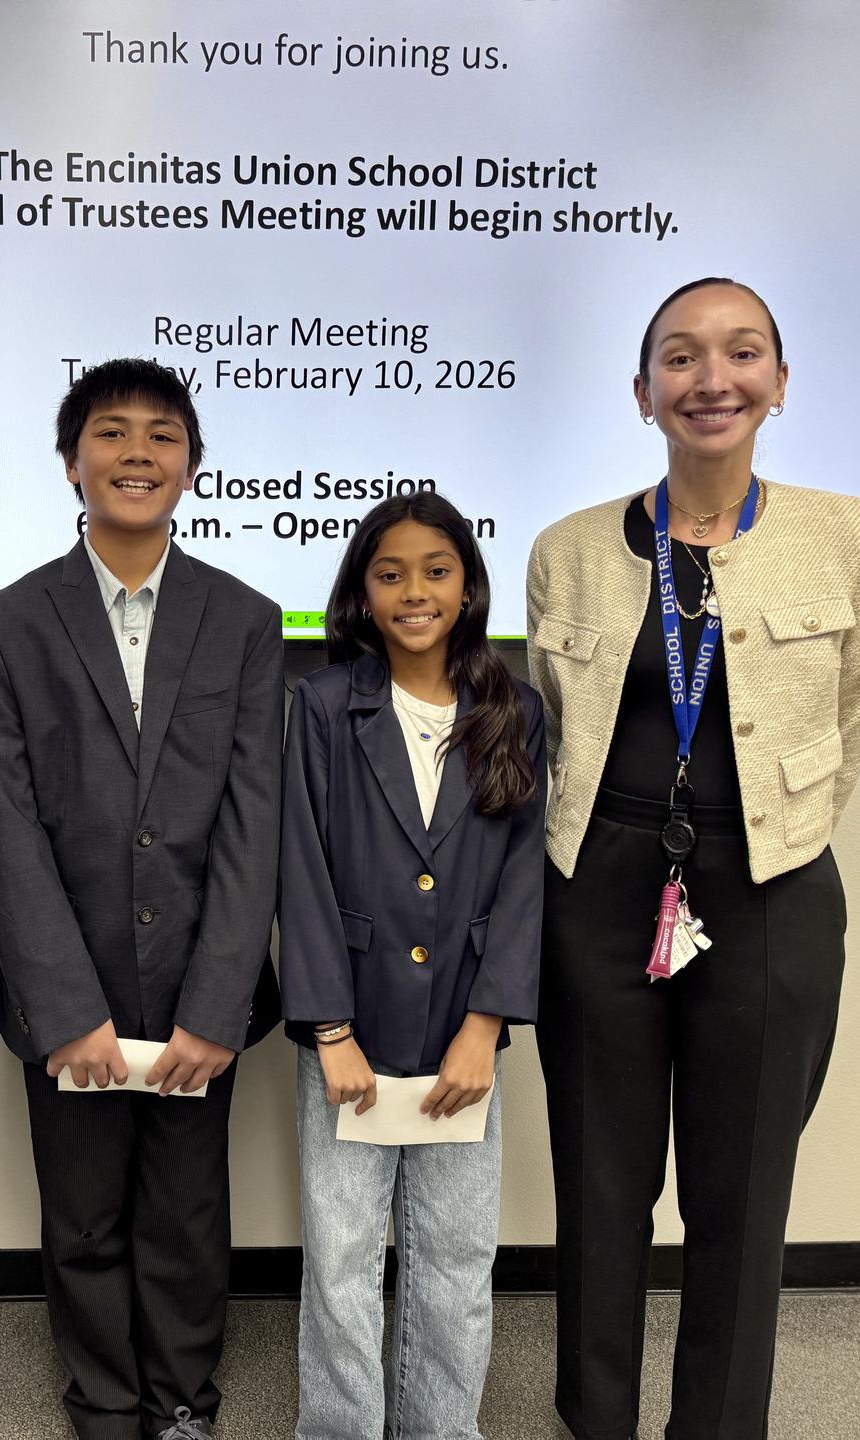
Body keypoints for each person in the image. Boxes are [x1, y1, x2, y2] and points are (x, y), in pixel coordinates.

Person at [526, 277, 860, 1439]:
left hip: (771, 888)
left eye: (742, 355)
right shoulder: (571, 549)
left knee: (740, 1196)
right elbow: (552, 726)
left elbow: (856, 707)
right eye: (680, 359)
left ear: (779, 383)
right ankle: (596, 1421)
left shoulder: (845, 534)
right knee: (599, 1185)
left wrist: (767, 836)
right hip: (600, 889)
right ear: (644, 394)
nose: (712, 379)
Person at [0, 358, 283, 1440]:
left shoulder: (244, 619)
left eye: (162, 435)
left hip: (200, 977)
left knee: (190, 1212)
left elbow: (254, 819)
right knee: (85, 1210)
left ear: (192, 466)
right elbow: (5, 830)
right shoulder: (7, 622)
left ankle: (185, 1398)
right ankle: (102, 1400)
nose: (137, 453)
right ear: (71, 464)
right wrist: (65, 1006)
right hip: (71, 983)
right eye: (111, 433)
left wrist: (218, 1002)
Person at [280, 492, 545, 1440]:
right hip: (349, 1031)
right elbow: (299, 873)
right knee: (343, 1259)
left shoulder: (513, 708)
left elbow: (523, 879)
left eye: (436, 570)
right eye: (389, 573)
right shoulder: (317, 706)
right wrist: (329, 1031)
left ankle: (442, 1428)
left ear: (468, 584)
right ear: (361, 591)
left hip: (462, 1035)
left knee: (457, 1256)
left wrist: (487, 1025)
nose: (414, 591)